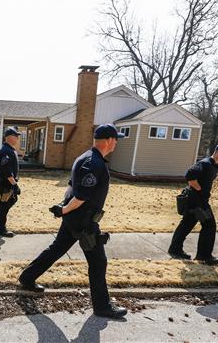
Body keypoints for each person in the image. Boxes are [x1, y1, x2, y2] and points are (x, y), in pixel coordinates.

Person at [18, 124, 127, 319]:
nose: (116, 143)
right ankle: (102, 307)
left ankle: (27, 277)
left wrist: (64, 209)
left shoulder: (84, 157)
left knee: (57, 249)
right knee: (98, 263)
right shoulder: (94, 163)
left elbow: (70, 188)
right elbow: (81, 196)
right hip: (83, 221)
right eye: (116, 139)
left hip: (75, 217)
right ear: (110, 140)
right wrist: (64, 210)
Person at [168, 142, 218, 265]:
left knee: (186, 224)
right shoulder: (205, 163)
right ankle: (204, 256)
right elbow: (190, 176)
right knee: (209, 226)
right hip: (197, 201)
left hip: (196, 200)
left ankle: (175, 249)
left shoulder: (213, 165)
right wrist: (199, 190)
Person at [0, 128, 21, 237]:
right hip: (6, 182)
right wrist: (14, 184)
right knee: (5, 204)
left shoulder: (10, 149)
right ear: (9, 137)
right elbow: (7, 171)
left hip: (8, 181)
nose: (17, 138)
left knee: (11, 200)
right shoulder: (5, 151)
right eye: (16, 136)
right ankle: (1, 229)